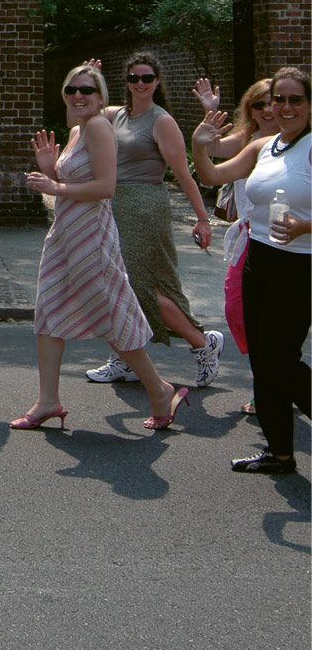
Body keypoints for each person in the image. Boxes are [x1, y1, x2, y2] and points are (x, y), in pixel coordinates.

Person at [14, 66, 188, 432]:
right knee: (47, 310)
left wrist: (55, 187)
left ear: (100, 96)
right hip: (65, 232)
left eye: (87, 90)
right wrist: (52, 170)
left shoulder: (97, 126)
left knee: (108, 312)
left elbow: (106, 187)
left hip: (91, 234)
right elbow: (74, 180)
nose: (79, 96)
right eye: (72, 89)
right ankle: (48, 400)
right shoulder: (77, 130)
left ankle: (159, 390)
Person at [192, 67, 311, 475]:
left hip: (301, 265)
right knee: (262, 358)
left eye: (296, 99)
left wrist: (304, 225)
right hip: (259, 259)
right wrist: (199, 146)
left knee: (281, 358)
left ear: (309, 104)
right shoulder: (264, 146)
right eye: (279, 99)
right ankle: (280, 454)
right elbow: (211, 175)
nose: (285, 107)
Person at [85, 51, 223, 389]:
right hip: (113, 205)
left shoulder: (161, 121)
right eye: (134, 78)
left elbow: (183, 174)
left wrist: (202, 218)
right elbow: (83, 110)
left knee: (142, 287)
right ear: (127, 82)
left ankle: (204, 344)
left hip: (145, 206)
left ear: (157, 82)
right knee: (114, 285)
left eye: (147, 78)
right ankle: (125, 359)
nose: (141, 84)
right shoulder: (113, 115)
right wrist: (89, 77)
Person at [191, 76, 277, 412]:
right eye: (260, 104)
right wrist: (208, 119)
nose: (268, 109)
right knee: (238, 310)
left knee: (278, 318)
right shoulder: (248, 141)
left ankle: (270, 388)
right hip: (250, 239)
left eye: (275, 101)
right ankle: (273, 377)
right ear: (250, 110)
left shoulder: (302, 143)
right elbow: (212, 157)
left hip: (293, 241)